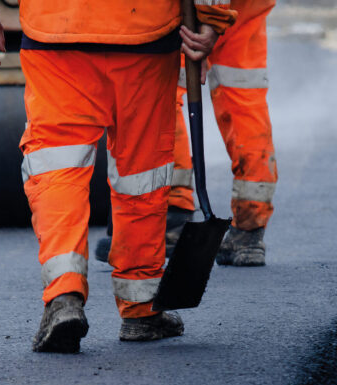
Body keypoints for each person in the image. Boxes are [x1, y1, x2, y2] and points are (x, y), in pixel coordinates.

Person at [0, 0, 236, 353]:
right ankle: (142, 309)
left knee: (57, 166)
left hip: (56, 31)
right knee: (142, 172)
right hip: (145, 33)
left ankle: (63, 296)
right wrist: (212, 19)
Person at [96, 0, 278, 267]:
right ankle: (249, 231)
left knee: (164, 90)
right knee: (243, 97)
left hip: (191, 7)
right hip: (245, 6)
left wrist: (210, 18)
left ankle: (172, 211)